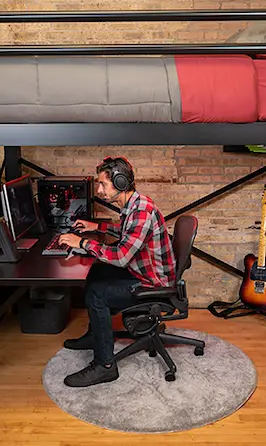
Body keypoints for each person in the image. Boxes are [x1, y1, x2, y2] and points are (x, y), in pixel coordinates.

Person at [56, 156, 176, 387]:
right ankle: (96, 337)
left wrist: (81, 243)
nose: (99, 190)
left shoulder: (142, 210)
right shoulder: (134, 204)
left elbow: (121, 257)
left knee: (97, 293)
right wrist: (97, 227)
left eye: (103, 184)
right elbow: (127, 233)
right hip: (144, 272)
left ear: (120, 183)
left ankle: (105, 366)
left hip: (154, 283)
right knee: (96, 275)